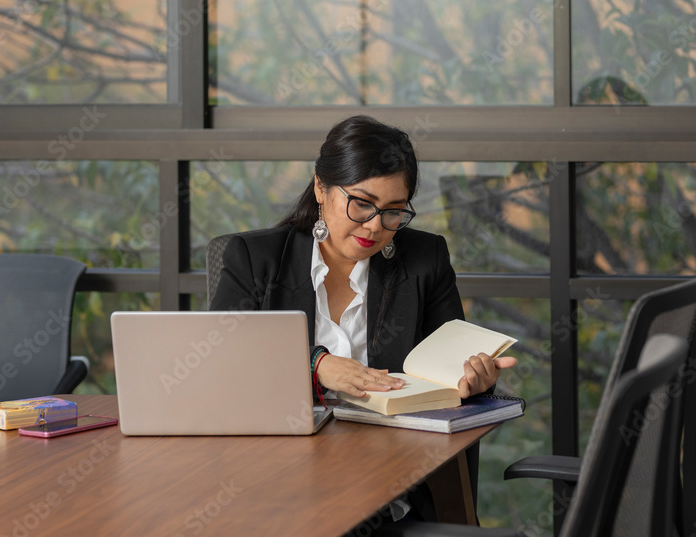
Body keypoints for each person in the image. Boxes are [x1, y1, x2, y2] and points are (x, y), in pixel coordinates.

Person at [209, 114, 517, 522]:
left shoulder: (425, 261)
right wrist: (317, 365)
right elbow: (224, 363)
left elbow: (446, 371)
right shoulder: (254, 260)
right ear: (321, 187)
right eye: (361, 204)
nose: (375, 226)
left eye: (393, 211)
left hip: (389, 480)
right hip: (276, 477)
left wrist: (474, 379)